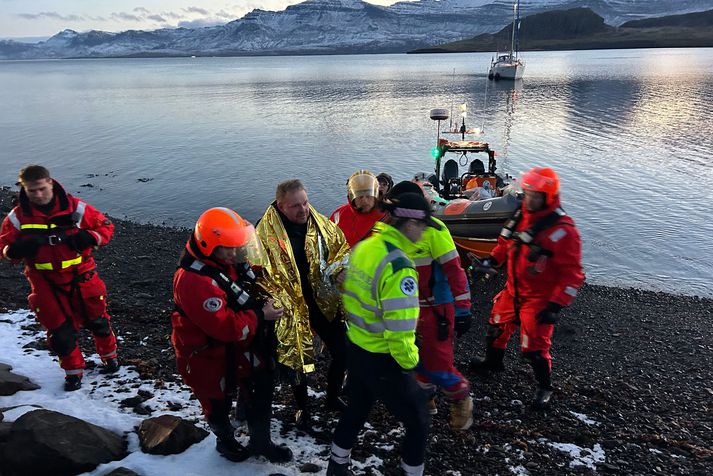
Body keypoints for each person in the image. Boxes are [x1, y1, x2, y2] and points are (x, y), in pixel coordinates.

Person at [171, 207, 292, 463]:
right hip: (207, 355)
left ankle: (260, 441)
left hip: (239, 348)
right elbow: (225, 327)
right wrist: (261, 316)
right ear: (209, 246)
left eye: (238, 246)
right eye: (230, 248)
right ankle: (224, 440)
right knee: (216, 402)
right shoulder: (194, 281)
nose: (236, 253)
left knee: (261, 387)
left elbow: (244, 285)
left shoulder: (225, 260)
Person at [327, 192, 435, 476]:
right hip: (383, 358)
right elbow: (399, 334)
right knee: (419, 422)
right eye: (423, 226)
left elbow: (349, 296)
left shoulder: (367, 247)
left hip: (357, 346)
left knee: (357, 409)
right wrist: (413, 367)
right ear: (409, 224)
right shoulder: (400, 269)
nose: (424, 233)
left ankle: (336, 466)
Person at [470, 167, 584, 408]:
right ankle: (493, 362)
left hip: (539, 298)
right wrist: (491, 262)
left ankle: (545, 387)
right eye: (528, 192)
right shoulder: (520, 216)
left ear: (547, 197)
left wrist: (555, 305)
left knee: (534, 348)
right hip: (513, 289)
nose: (529, 198)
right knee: (496, 326)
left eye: (535, 195)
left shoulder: (563, 231)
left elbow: (573, 276)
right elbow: (504, 245)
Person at [0, 165, 118, 391]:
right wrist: (14, 250)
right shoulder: (17, 218)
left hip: (81, 276)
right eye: (32, 191)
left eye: (42, 189)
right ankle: (73, 373)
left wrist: (89, 237)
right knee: (60, 333)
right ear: (24, 189)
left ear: (50, 184)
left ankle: (110, 357)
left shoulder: (75, 208)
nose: (38, 195)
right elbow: (3, 247)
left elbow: (106, 227)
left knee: (98, 320)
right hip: (44, 281)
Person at [256, 179, 351, 430]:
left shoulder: (320, 224)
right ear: (280, 206)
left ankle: (331, 398)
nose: (303, 209)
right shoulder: (264, 232)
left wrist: (340, 269)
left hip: (321, 299)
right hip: (288, 304)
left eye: (305, 202)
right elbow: (256, 272)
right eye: (295, 206)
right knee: (297, 359)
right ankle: (302, 407)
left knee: (343, 352)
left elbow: (340, 249)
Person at [387, 181, 474, 431]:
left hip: (437, 307)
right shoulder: (394, 231)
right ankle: (427, 400)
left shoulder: (435, 231)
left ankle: (461, 398)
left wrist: (463, 308)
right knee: (413, 357)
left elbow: (455, 271)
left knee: (438, 361)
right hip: (409, 307)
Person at [330, 170, 385, 247]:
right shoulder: (339, 215)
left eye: (368, 195)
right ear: (352, 197)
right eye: (360, 197)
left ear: (376, 195)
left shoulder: (388, 216)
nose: (365, 201)